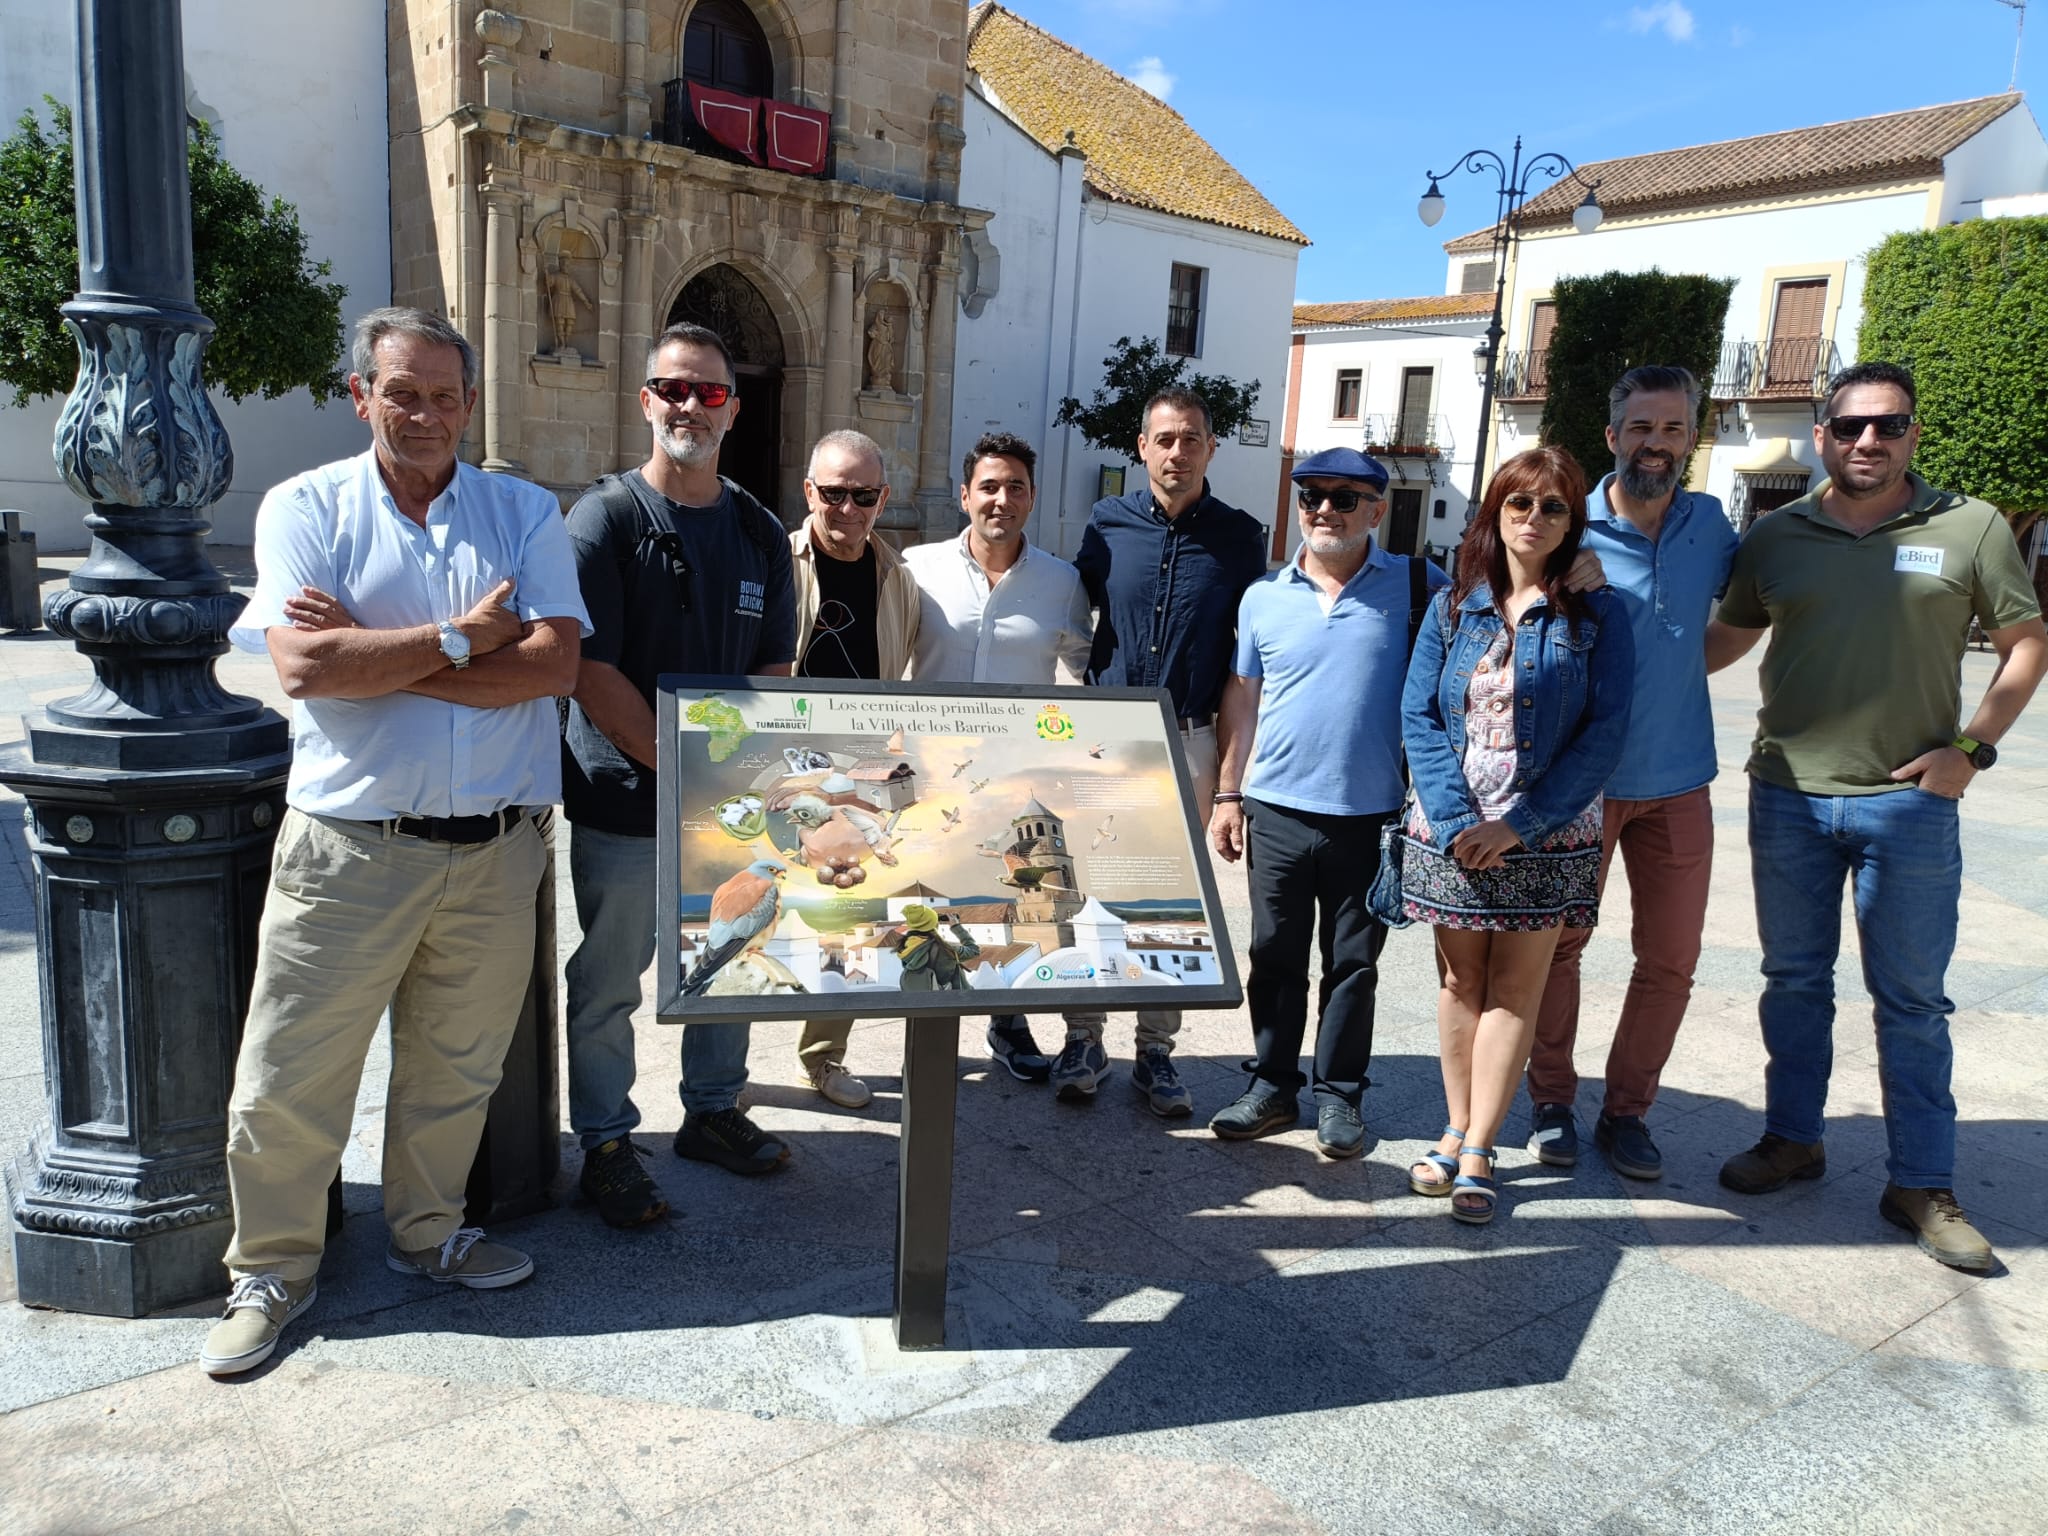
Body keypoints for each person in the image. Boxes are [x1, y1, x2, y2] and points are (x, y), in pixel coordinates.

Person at [200, 308, 590, 1375]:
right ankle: (272, 1272)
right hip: (350, 849)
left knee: (456, 1069)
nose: (423, 414)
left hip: (500, 849)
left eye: (444, 395)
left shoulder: (521, 510)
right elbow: (306, 671)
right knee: (292, 1072)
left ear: (470, 403)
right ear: (360, 394)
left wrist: (374, 653)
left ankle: (428, 1235)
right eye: (401, 391)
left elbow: (553, 667)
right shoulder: (306, 508)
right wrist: (466, 637)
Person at [1707, 361, 2046, 1271]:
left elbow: (2026, 643)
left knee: (1912, 1001)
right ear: (1823, 434)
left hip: (1910, 805)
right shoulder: (1778, 535)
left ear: (1913, 434)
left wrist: (1969, 752)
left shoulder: (1969, 527)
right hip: (1787, 794)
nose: (1868, 442)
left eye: (1888, 426)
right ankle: (1793, 1139)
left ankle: (1922, 1184)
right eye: (1851, 426)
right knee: (1793, 982)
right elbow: (1721, 643)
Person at [561, 321, 798, 1229]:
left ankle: (712, 1113)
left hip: (723, 808)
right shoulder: (607, 519)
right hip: (625, 798)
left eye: (707, 391)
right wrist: (685, 768)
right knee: (613, 979)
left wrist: (726, 782)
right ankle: (607, 1142)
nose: (688, 405)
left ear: (732, 409)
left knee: (728, 961)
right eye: (672, 389)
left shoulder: (756, 530)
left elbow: (775, 667)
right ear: (645, 400)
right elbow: (591, 669)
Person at [1399, 446, 1633, 1224]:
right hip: (1452, 828)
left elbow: (1604, 736)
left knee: (1516, 989)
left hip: (1546, 834)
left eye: (1554, 507)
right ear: (1494, 512)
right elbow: (1420, 716)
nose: (1534, 519)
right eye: (1519, 503)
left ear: (1574, 523)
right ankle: (1455, 1125)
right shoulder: (1451, 607)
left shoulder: (1601, 614)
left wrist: (1519, 827)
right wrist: (1465, 822)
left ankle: (1480, 1148)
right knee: (1460, 984)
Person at [1527, 366, 1739, 1180]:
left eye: (1674, 429)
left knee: (1672, 960)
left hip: (1681, 782)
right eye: (1642, 428)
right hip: (1584, 786)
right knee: (1559, 950)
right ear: (1613, 437)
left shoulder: (1713, 525)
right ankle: (1552, 1101)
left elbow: (1747, 612)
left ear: (1692, 437)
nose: (1657, 443)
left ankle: (1627, 1111)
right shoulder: (1565, 528)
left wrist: (1688, 670)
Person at [1207, 448, 1448, 1157]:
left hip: (1370, 816)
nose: (1324, 511)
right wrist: (1228, 792)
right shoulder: (1264, 596)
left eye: (1345, 499)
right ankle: (1273, 1087)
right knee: (1273, 955)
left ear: (1376, 509)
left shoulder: (1418, 587)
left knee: (1353, 965)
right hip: (1275, 809)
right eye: (1312, 495)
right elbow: (1242, 697)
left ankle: (1341, 1096)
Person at [1070, 387, 1267, 1114]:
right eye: (1164, 439)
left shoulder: (1242, 539)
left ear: (1211, 449)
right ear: (1141, 449)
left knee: (1175, 901)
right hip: (1107, 737)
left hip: (1189, 738)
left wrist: (1230, 786)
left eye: (1191, 439)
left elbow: (1251, 662)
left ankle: (1156, 1049)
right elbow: (1074, 614)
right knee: (1091, 888)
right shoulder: (1107, 523)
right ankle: (1083, 1036)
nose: (1176, 452)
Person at [904, 432, 1091, 1085]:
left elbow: (1083, 676)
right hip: (932, 778)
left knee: (1010, 905)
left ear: (1032, 498)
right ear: (964, 494)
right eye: (989, 486)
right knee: (928, 905)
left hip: (1016, 782)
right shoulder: (915, 567)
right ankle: (923, 1037)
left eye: (1015, 487)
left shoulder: (1061, 583)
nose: (1001, 499)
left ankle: (1006, 1025)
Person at [787, 429, 922, 1109]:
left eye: (861, 495)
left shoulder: (898, 578)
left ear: (882, 498)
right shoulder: (773, 562)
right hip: (777, 765)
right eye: (833, 492)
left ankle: (823, 1055)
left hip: (859, 772)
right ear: (809, 491)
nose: (846, 508)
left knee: (849, 914)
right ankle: (714, 1084)